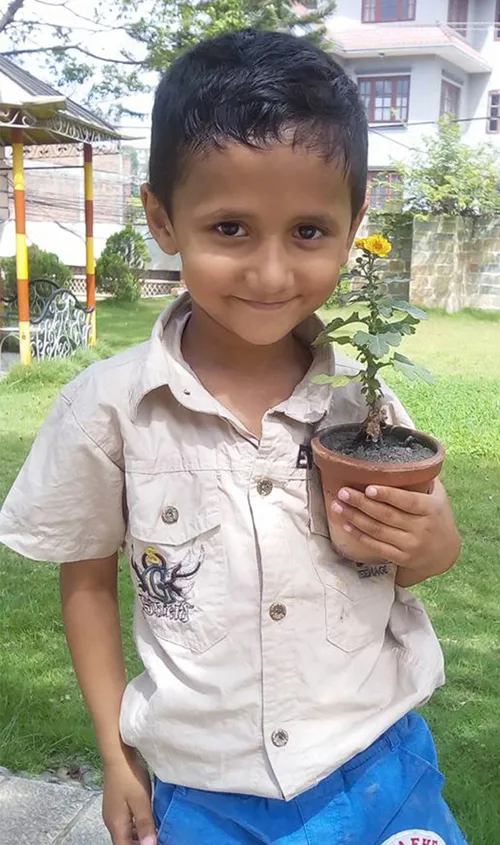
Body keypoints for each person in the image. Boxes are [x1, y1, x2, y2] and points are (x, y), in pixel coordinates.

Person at [0, 28, 466, 845]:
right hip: (206, 795)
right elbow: (86, 585)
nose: (273, 273)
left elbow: (418, 558)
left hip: (381, 768)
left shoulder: (362, 402)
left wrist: (434, 542)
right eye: (231, 229)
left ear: (355, 222)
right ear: (162, 218)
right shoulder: (106, 411)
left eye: (310, 232)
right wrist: (117, 756)